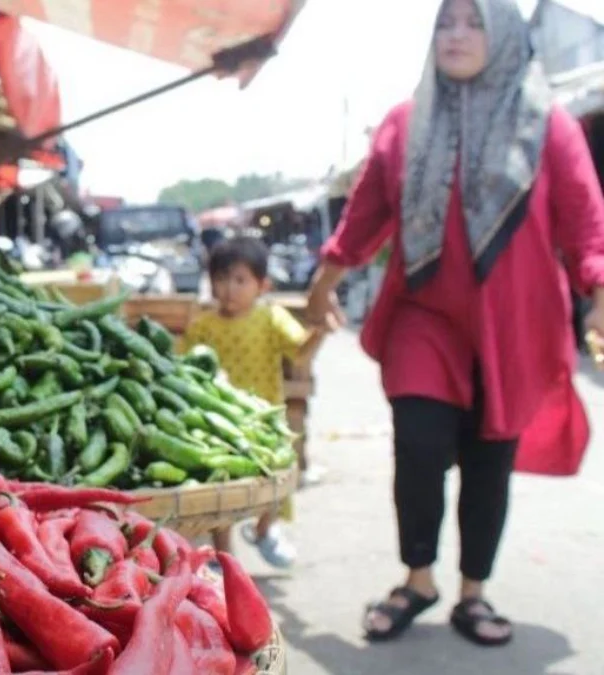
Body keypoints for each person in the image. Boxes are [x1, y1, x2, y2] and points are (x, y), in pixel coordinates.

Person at [306, 0, 604, 647]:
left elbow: (586, 225)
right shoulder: (404, 125)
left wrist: (599, 288)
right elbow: (362, 223)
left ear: (502, 39)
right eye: (446, 22)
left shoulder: (547, 126)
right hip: (425, 317)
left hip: (514, 327)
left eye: (473, 23)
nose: (456, 35)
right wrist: (321, 286)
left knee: (488, 457)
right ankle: (418, 577)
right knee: (418, 442)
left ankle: (473, 591)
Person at [182, 236, 330, 568]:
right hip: (219, 421)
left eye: (239, 280)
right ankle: (223, 554)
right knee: (223, 482)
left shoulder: (271, 318)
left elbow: (300, 350)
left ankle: (265, 529)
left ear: (262, 285)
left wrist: (318, 334)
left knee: (276, 477)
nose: (229, 289)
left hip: (267, 416)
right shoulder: (203, 326)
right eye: (221, 279)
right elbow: (185, 368)